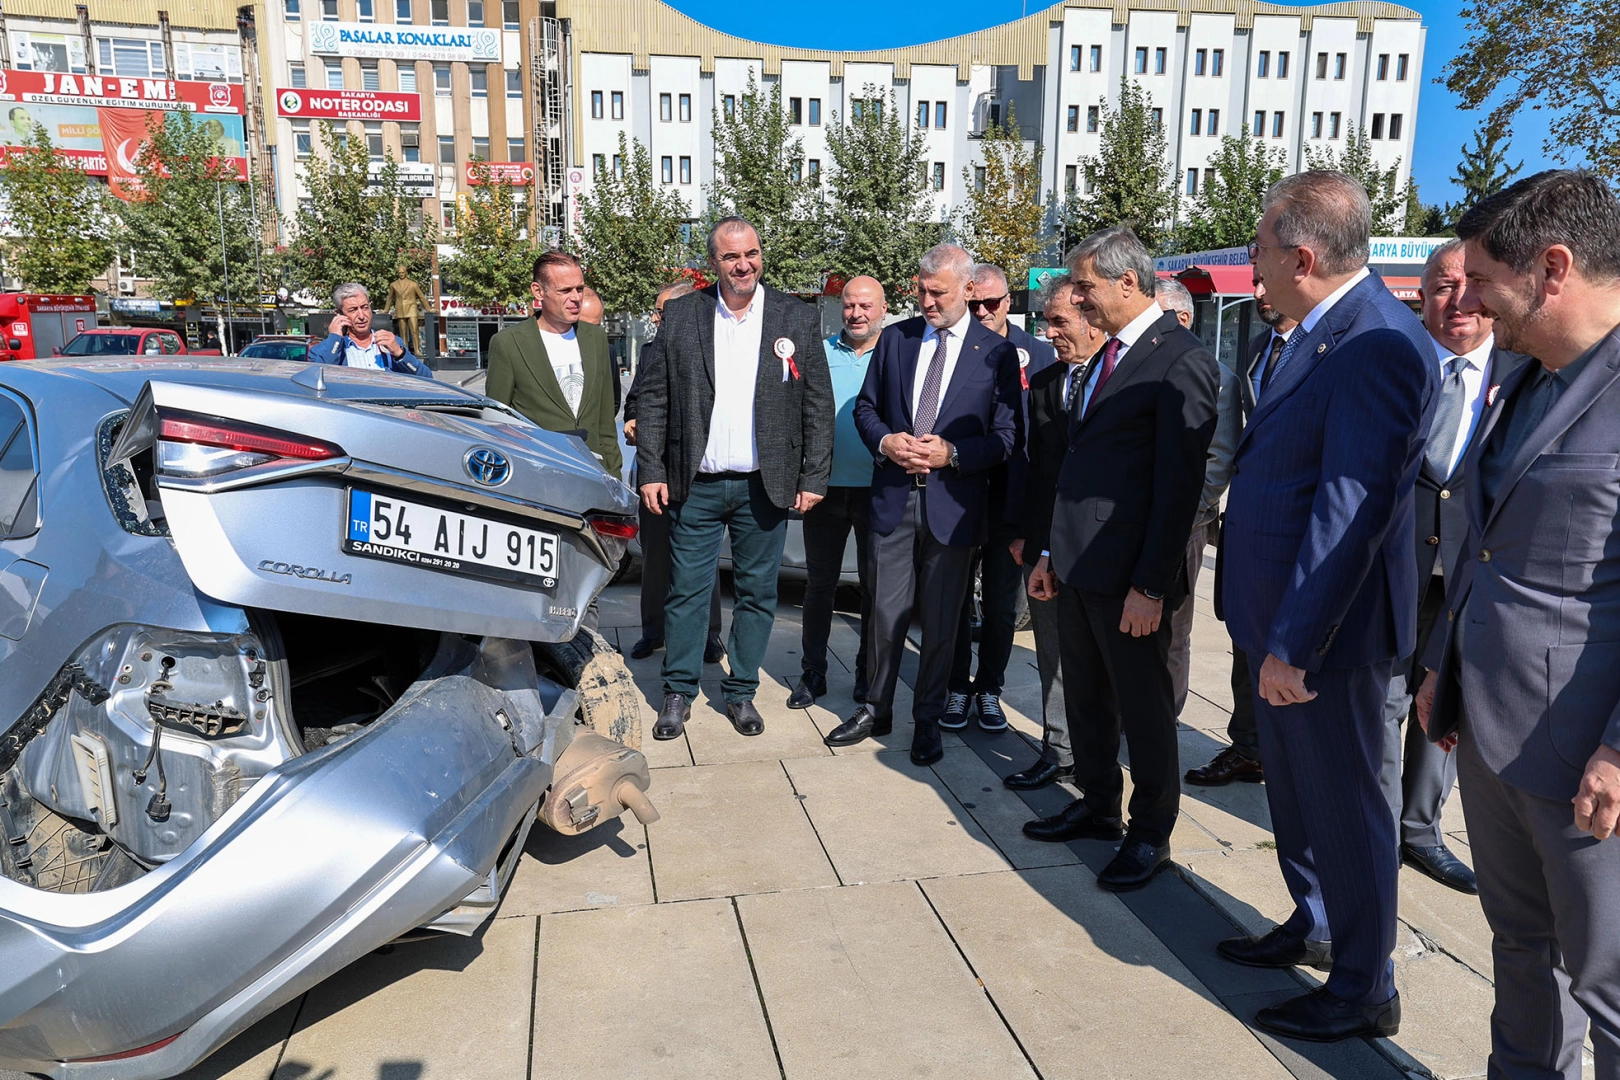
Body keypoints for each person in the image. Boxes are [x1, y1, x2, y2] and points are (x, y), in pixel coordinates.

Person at [1219, 171, 1437, 1042]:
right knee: (1302, 799)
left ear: (1302, 255)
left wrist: (1295, 645)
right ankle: (1314, 923)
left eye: (1261, 246)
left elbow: (1353, 512)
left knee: (1347, 810)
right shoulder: (1323, 330)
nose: (1253, 262)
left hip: (1325, 640)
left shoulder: (1374, 341)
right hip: (1280, 623)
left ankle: (1363, 985)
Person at [1416, 170, 1620, 1080]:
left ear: (1554, 268)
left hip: (1587, 759)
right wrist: (1440, 663)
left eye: (1486, 281)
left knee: (1609, 983)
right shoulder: (1522, 376)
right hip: (1492, 731)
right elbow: (1482, 537)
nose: (1472, 302)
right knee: (1518, 950)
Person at [1020, 227, 1218, 894]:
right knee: (1086, 698)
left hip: (1129, 579)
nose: (1077, 297)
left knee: (1145, 710)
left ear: (1126, 283)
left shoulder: (1179, 359)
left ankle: (1149, 831)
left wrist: (1150, 587)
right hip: (1076, 565)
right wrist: (1050, 551)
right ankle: (1099, 803)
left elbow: (1176, 491)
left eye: (1085, 286)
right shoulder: (1110, 357)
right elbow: (1076, 469)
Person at [635, 217, 834, 740]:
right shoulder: (682, 315)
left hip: (762, 486)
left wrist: (814, 474)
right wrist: (651, 469)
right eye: (730, 257)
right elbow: (654, 398)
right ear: (713, 263)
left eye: (751, 253)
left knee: (757, 593)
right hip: (694, 483)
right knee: (686, 592)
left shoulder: (795, 315)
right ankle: (677, 690)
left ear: (760, 254)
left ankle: (741, 691)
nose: (743, 264)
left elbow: (817, 402)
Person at [825, 243, 1021, 765]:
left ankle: (928, 719)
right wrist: (886, 442)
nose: (927, 301)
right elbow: (866, 409)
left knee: (939, 623)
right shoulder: (896, 340)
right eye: (921, 290)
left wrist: (953, 453)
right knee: (883, 614)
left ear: (969, 289)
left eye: (938, 292)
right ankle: (875, 708)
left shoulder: (995, 353)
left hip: (953, 509)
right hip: (891, 501)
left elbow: (1006, 437)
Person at [1379, 240, 1503, 896]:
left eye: (1466, 285)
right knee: (1379, 705)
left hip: (1470, 579)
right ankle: (1372, 826)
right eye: (1439, 286)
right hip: (1389, 572)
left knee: (1443, 705)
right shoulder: (1390, 368)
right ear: (1419, 295)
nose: (1454, 301)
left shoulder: (1520, 377)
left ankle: (1420, 830)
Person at [1186, 272, 1297, 786]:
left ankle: (1292, 757)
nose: (1258, 294)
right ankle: (1249, 746)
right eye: (1254, 282)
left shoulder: (1334, 346)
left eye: (1264, 281)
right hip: (1251, 525)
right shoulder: (1259, 347)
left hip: (1300, 530)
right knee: (1245, 643)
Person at [943, 263, 1055, 731]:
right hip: (960, 493)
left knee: (1003, 603)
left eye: (993, 302)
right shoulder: (951, 346)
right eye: (975, 304)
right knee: (951, 601)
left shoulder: (1040, 354)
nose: (984, 311)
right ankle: (955, 687)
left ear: (1010, 301)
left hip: (1014, 502)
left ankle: (989, 687)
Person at [1004, 278, 1106, 789]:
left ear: (1092, 319)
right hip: (1045, 546)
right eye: (1045, 321)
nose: (1048, 332)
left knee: (1099, 662)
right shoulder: (1045, 381)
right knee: (1052, 654)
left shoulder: (1118, 378)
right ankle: (1059, 748)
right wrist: (1028, 536)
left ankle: (1097, 756)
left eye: (1059, 322)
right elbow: (1038, 467)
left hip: (1101, 550)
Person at [787, 276, 884, 709]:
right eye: (849, 305)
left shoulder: (897, 355)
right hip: (823, 490)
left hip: (880, 491)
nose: (856, 313)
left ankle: (867, 675)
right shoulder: (819, 354)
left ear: (883, 309)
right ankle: (813, 673)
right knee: (819, 587)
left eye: (865, 306)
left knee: (875, 589)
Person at [624, 280, 725, 664]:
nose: (654, 318)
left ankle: (709, 636)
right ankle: (653, 631)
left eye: (660, 311)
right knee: (654, 556)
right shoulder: (651, 351)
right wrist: (633, 419)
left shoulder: (713, 351)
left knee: (703, 560)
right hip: (654, 469)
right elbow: (636, 400)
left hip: (696, 474)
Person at [1157, 275, 1240, 720]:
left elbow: (1218, 463)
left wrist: (1177, 518)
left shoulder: (1219, 377)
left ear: (1182, 318)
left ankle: (1164, 718)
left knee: (1173, 631)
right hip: (1143, 523)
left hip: (1185, 527)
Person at [484, 251, 621, 474]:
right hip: (539, 478)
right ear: (538, 291)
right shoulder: (508, 344)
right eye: (565, 290)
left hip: (595, 474)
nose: (576, 297)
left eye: (580, 288)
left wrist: (613, 476)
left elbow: (606, 421)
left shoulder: (596, 339)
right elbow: (498, 423)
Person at [309, 283, 432, 378]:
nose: (362, 316)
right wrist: (334, 339)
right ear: (339, 314)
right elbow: (318, 380)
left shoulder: (390, 343)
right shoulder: (321, 351)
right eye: (353, 310)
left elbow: (426, 378)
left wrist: (400, 354)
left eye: (364, 307)